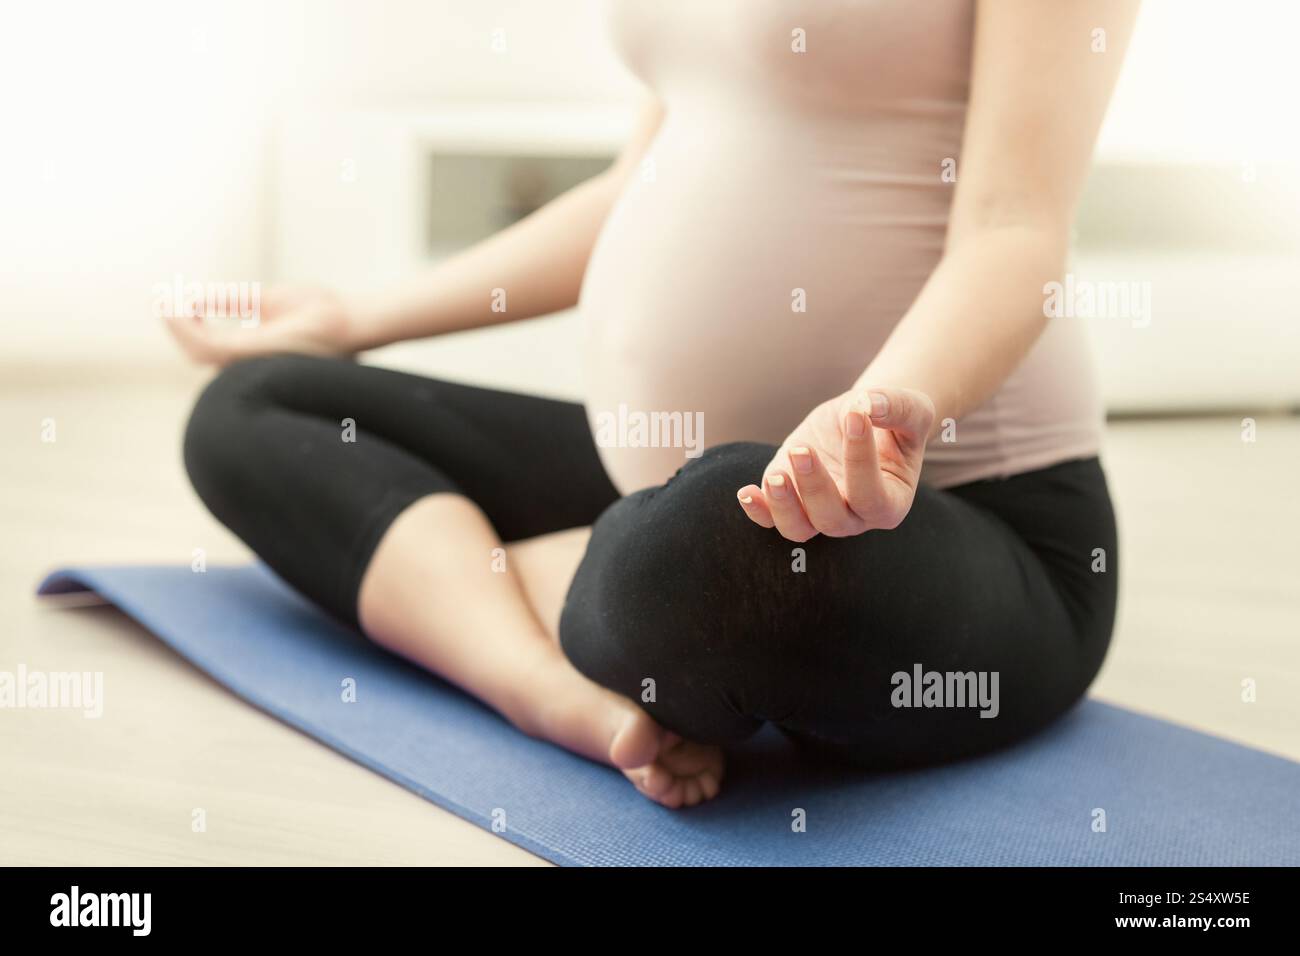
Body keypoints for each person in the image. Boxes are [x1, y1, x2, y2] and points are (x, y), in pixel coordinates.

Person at [171, 0, 1139, 809]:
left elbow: (1016, 228)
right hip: (665, 475)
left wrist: (884, 408)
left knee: (695, 552)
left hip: (960, 521)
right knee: (257, 404)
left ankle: (511, 578)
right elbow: (641, 182)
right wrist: (352, 316)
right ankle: (547, 679)